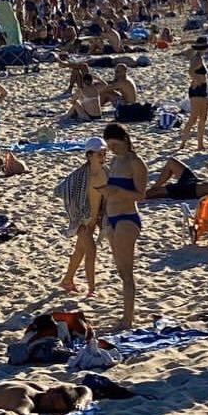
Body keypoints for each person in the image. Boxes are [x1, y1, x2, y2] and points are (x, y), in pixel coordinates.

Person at [100, 122, 147, 330]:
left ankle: (128, 319)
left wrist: (117, 191)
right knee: (120, 271)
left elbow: (141, 195)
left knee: (127, 273)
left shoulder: (135, 163)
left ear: (124, 140)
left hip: (127, 218)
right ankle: (126, 315)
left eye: (115, 145)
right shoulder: (115, 161)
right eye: (109, 146)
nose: (113, 149)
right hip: (111, 218)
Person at [57, 137, 110, 299]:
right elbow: (61, 190)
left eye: (104, 153)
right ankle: (92, 289)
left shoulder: (107, 173)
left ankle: (67, 280)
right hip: (81, 219)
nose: (103, 157)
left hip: (94, 219)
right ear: (89, 156)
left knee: (80, 251)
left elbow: (108, 198)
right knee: (91, 250)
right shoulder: (79, 176)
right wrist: (76, 215)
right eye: (99, 154)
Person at [179, 40, 208, 153]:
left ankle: (196, 143)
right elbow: (190, 71)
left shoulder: (197, 58)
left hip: (199, 89)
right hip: (198, 90)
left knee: (200, 118)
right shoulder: (197, 59)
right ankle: (187, 142)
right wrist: (197, 81)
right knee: (196, 118)